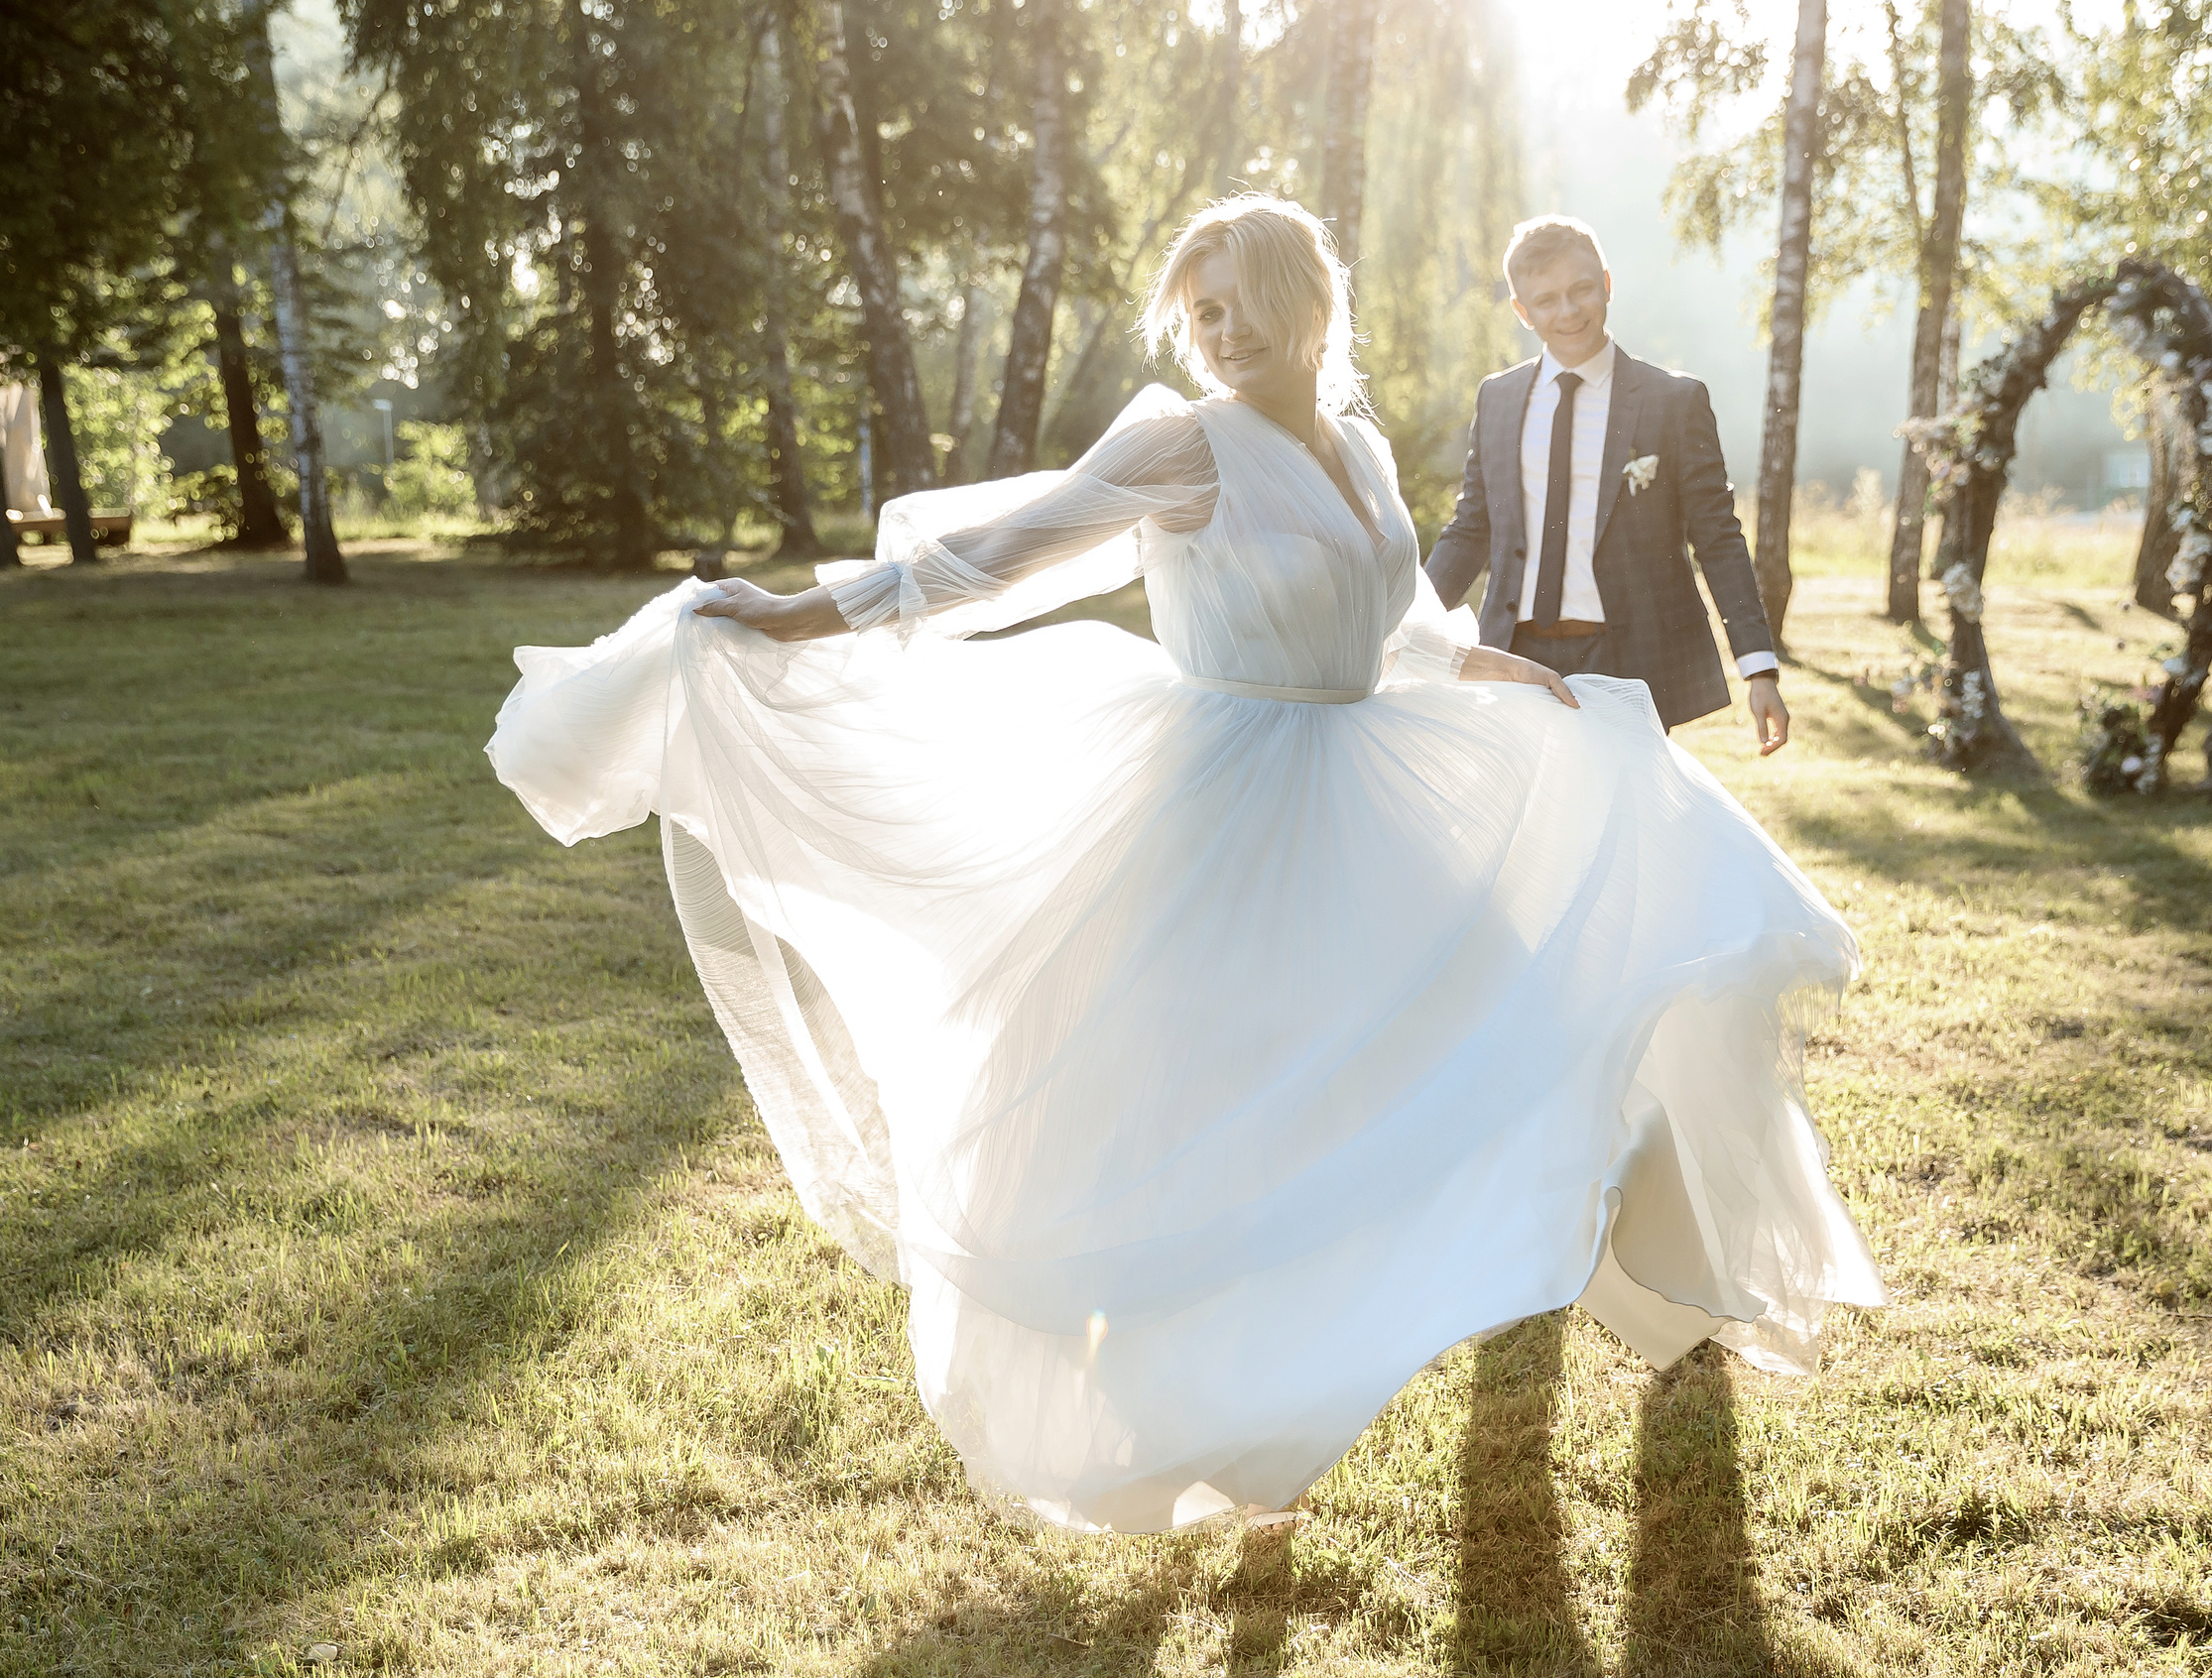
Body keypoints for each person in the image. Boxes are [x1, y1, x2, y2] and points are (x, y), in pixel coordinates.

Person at [488, 194, 1881, 1536]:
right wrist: (798, 615)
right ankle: (1208, 1422)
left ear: (1309, 301)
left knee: (1510, 1035)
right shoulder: (1184, 445)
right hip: (1222, 808)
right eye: (1196, 312)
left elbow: (1387, 606)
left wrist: (1476, 655)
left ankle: (1572, 1269)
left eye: (1238, 303)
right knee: (1217, 1122)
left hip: (1370, 788)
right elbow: (992, 559)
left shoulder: (1355, 439)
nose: (1216, 331)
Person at [1426, 214, 1791, 752]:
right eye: (1546, 300)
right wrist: (1404, 630)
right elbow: (1470, 529)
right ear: (1522, 312)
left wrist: (1758, 668)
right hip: (1514, 656)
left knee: (1622, 828)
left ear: (1607, 284)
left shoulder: (1673, 401)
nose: (1568, 311)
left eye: (1581, 290)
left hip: (1627, 659)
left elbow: (1717, 537)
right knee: (1531, 828)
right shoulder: (1498, 398)